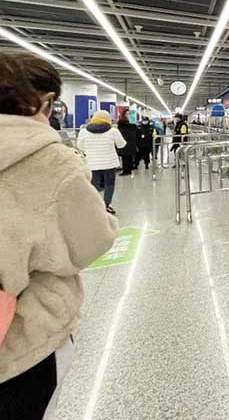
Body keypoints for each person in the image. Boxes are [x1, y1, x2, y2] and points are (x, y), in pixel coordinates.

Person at [0, 53, 117, 419]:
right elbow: (93, 240)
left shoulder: (76, 138)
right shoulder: (49, 159)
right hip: (22, 341)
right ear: (46, 102)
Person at [77, 110, 127, 214]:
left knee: (94, 185)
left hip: (92, 163)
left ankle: (95, 206)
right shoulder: (113, 131)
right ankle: (107, 205)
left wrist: (90, 151)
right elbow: (121, 145)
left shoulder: (83, 131)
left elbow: (80, 146)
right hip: (109, 163)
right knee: (109, 184)